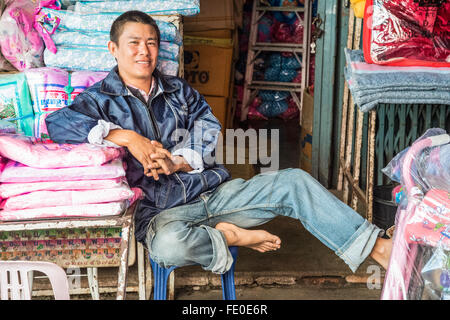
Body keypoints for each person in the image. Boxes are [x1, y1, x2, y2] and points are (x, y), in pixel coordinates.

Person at [46, 10, 392, 275]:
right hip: (159, 212)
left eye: (151, 42)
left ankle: (377, 247)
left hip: (212, 192)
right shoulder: (99, 100)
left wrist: (178, 161)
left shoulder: (178, 90)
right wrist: (128, 138)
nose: (144, 51)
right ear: (114, 49)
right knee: (167, 247)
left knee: (294, 182)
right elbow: (57, 125)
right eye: (134, 43)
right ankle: (230, 236)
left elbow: (207, 126)